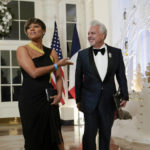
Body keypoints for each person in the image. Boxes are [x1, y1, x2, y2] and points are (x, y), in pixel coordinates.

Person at [16, 18, 73, 150]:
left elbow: (58, 76)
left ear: (43, 31)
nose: (31, 29)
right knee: (33, 137)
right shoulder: (22, 50)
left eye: (35, 26)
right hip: (29, 100)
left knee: (56, 135)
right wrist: (55, 65)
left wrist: (59, 94)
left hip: (49, 99)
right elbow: (34, 73)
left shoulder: (52, 52)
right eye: (29, 28)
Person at [75, 20, 129, 150]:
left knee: (106, 134)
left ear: (103, 35)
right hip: (89, 101)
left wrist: (125, 95)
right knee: (89, 135)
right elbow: (77, 79)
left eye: (93, 33)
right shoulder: (82, 55)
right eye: (88, 33)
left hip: (108, 101)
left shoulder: (116, 53)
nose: (89, 36)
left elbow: (121, 75)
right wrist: (78, 99)